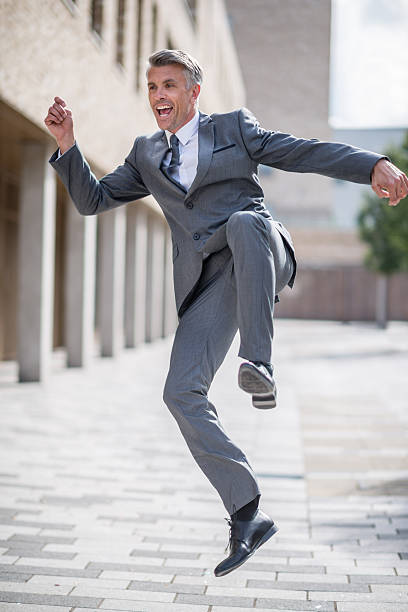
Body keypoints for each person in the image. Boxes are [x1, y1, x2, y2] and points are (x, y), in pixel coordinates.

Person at [44, 49, 408, 577]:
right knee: (180, 392)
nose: (159, 96)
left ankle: (258, 363)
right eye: (151, 87)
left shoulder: (235, 129)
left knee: (242, 223)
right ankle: (246, 513)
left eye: (169, 85)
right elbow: (93, 200)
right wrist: (67, 145)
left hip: (260, 250)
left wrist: (370, 164)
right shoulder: (147, 153)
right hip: (210, 283)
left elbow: (302, 152)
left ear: (194, 92)